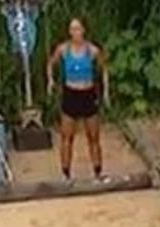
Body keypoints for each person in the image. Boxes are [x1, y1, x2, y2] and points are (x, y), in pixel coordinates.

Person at [46, 18, 110, 183]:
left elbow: (104, 69)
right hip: (71, 95)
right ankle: (66, 174)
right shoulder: (63, 49)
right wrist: (50, 81)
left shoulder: (92, 50)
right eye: (72, 29)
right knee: (67, 137)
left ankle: (97, 172)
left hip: (88, 95)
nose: (75, 33)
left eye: (78, 29)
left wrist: (106, 91)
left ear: (83, 30)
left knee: (93, 137)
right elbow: (50, 63)